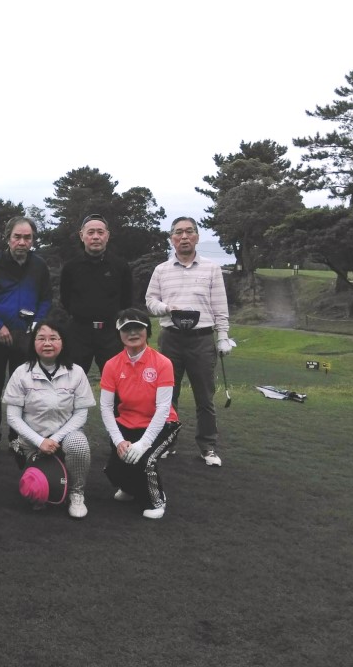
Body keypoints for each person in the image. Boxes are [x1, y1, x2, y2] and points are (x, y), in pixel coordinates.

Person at [145, 216, 232, 466]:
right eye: (178, 232)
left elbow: (220, 307)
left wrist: (223, 336)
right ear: (171, 238)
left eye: (189, 231)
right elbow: (150, 301)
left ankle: (208, 447)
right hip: (170, 339)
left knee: (204, 398)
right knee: (166, 396)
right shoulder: (161, 270)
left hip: (201, 339)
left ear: (197, 236)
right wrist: (166, 307)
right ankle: (167, 442)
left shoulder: (211, 268)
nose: (184, 236)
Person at [2, 320, 94, 519]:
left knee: (78, 444)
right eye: (41, 338)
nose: (47, 343)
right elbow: (13, 417)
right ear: (33, 342)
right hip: (32, 442)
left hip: (66, 438)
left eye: (53, 338)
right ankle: (43, 472)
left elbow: (81, 414)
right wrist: (40, 441)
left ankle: (76, 493)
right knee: (38, 495)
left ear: (63, 342)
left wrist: (55, 439)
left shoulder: (76, 372)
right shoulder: (21, 373)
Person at [0, 216, 52, 455]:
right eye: (17, 237)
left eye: (27, 237)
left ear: (33, 240)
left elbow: (46, 298)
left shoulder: (39, 265)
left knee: (22, 388)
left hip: (26, 335)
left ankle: (16, 436)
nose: (22, 242)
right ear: (8, 238)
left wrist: (37, 323)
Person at [100, 309, 180, 519]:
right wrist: (119, 441)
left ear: (148, 331)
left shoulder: (163, 363)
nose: (133, 333)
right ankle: (130, 488)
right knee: (113, 469)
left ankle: (157, 501)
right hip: (127, 422)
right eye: (126, 329)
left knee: (145, 461)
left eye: (138, 327)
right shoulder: (111, 365)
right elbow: (106, 407)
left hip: (163, 424)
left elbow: (163, 408)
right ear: (119, 333)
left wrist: (144, 443)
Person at [59, 213, 134, 375]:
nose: (95, 237)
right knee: (72, 379)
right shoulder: (71, 267)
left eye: (100, 232)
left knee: (116, 380)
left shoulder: (120, 266)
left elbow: (126, 300)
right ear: (82, 236)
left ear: (107, 236)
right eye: (91, 232)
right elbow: (65, 299)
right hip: (79, 333)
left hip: (111, 333)